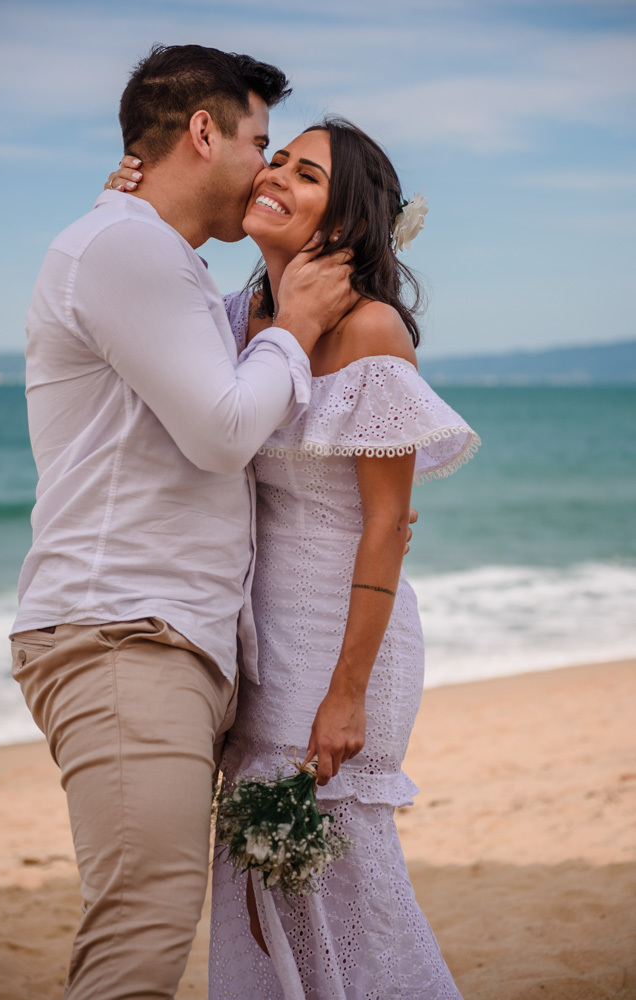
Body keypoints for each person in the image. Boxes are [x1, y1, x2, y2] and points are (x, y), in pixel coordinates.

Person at [9, 45, 360, 1000]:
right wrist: (291, 327)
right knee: (142, 934)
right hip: (124, 633)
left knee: (147, 922)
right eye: (259, 142)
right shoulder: (126, 248)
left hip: (163, 637)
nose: (267, 167)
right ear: (203, 133)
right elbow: (219, 431)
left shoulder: (156, 255)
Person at [110, 118, 479, 998]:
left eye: (304, 173)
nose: (273, 174)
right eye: (274, 158)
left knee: (343, 889)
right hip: (256, 646)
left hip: (341, 650)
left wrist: (346, 691)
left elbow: (387, 524)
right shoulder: (240, 319)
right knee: (255, 891)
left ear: (344, 223)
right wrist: (138, 205)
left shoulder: (370, 330)